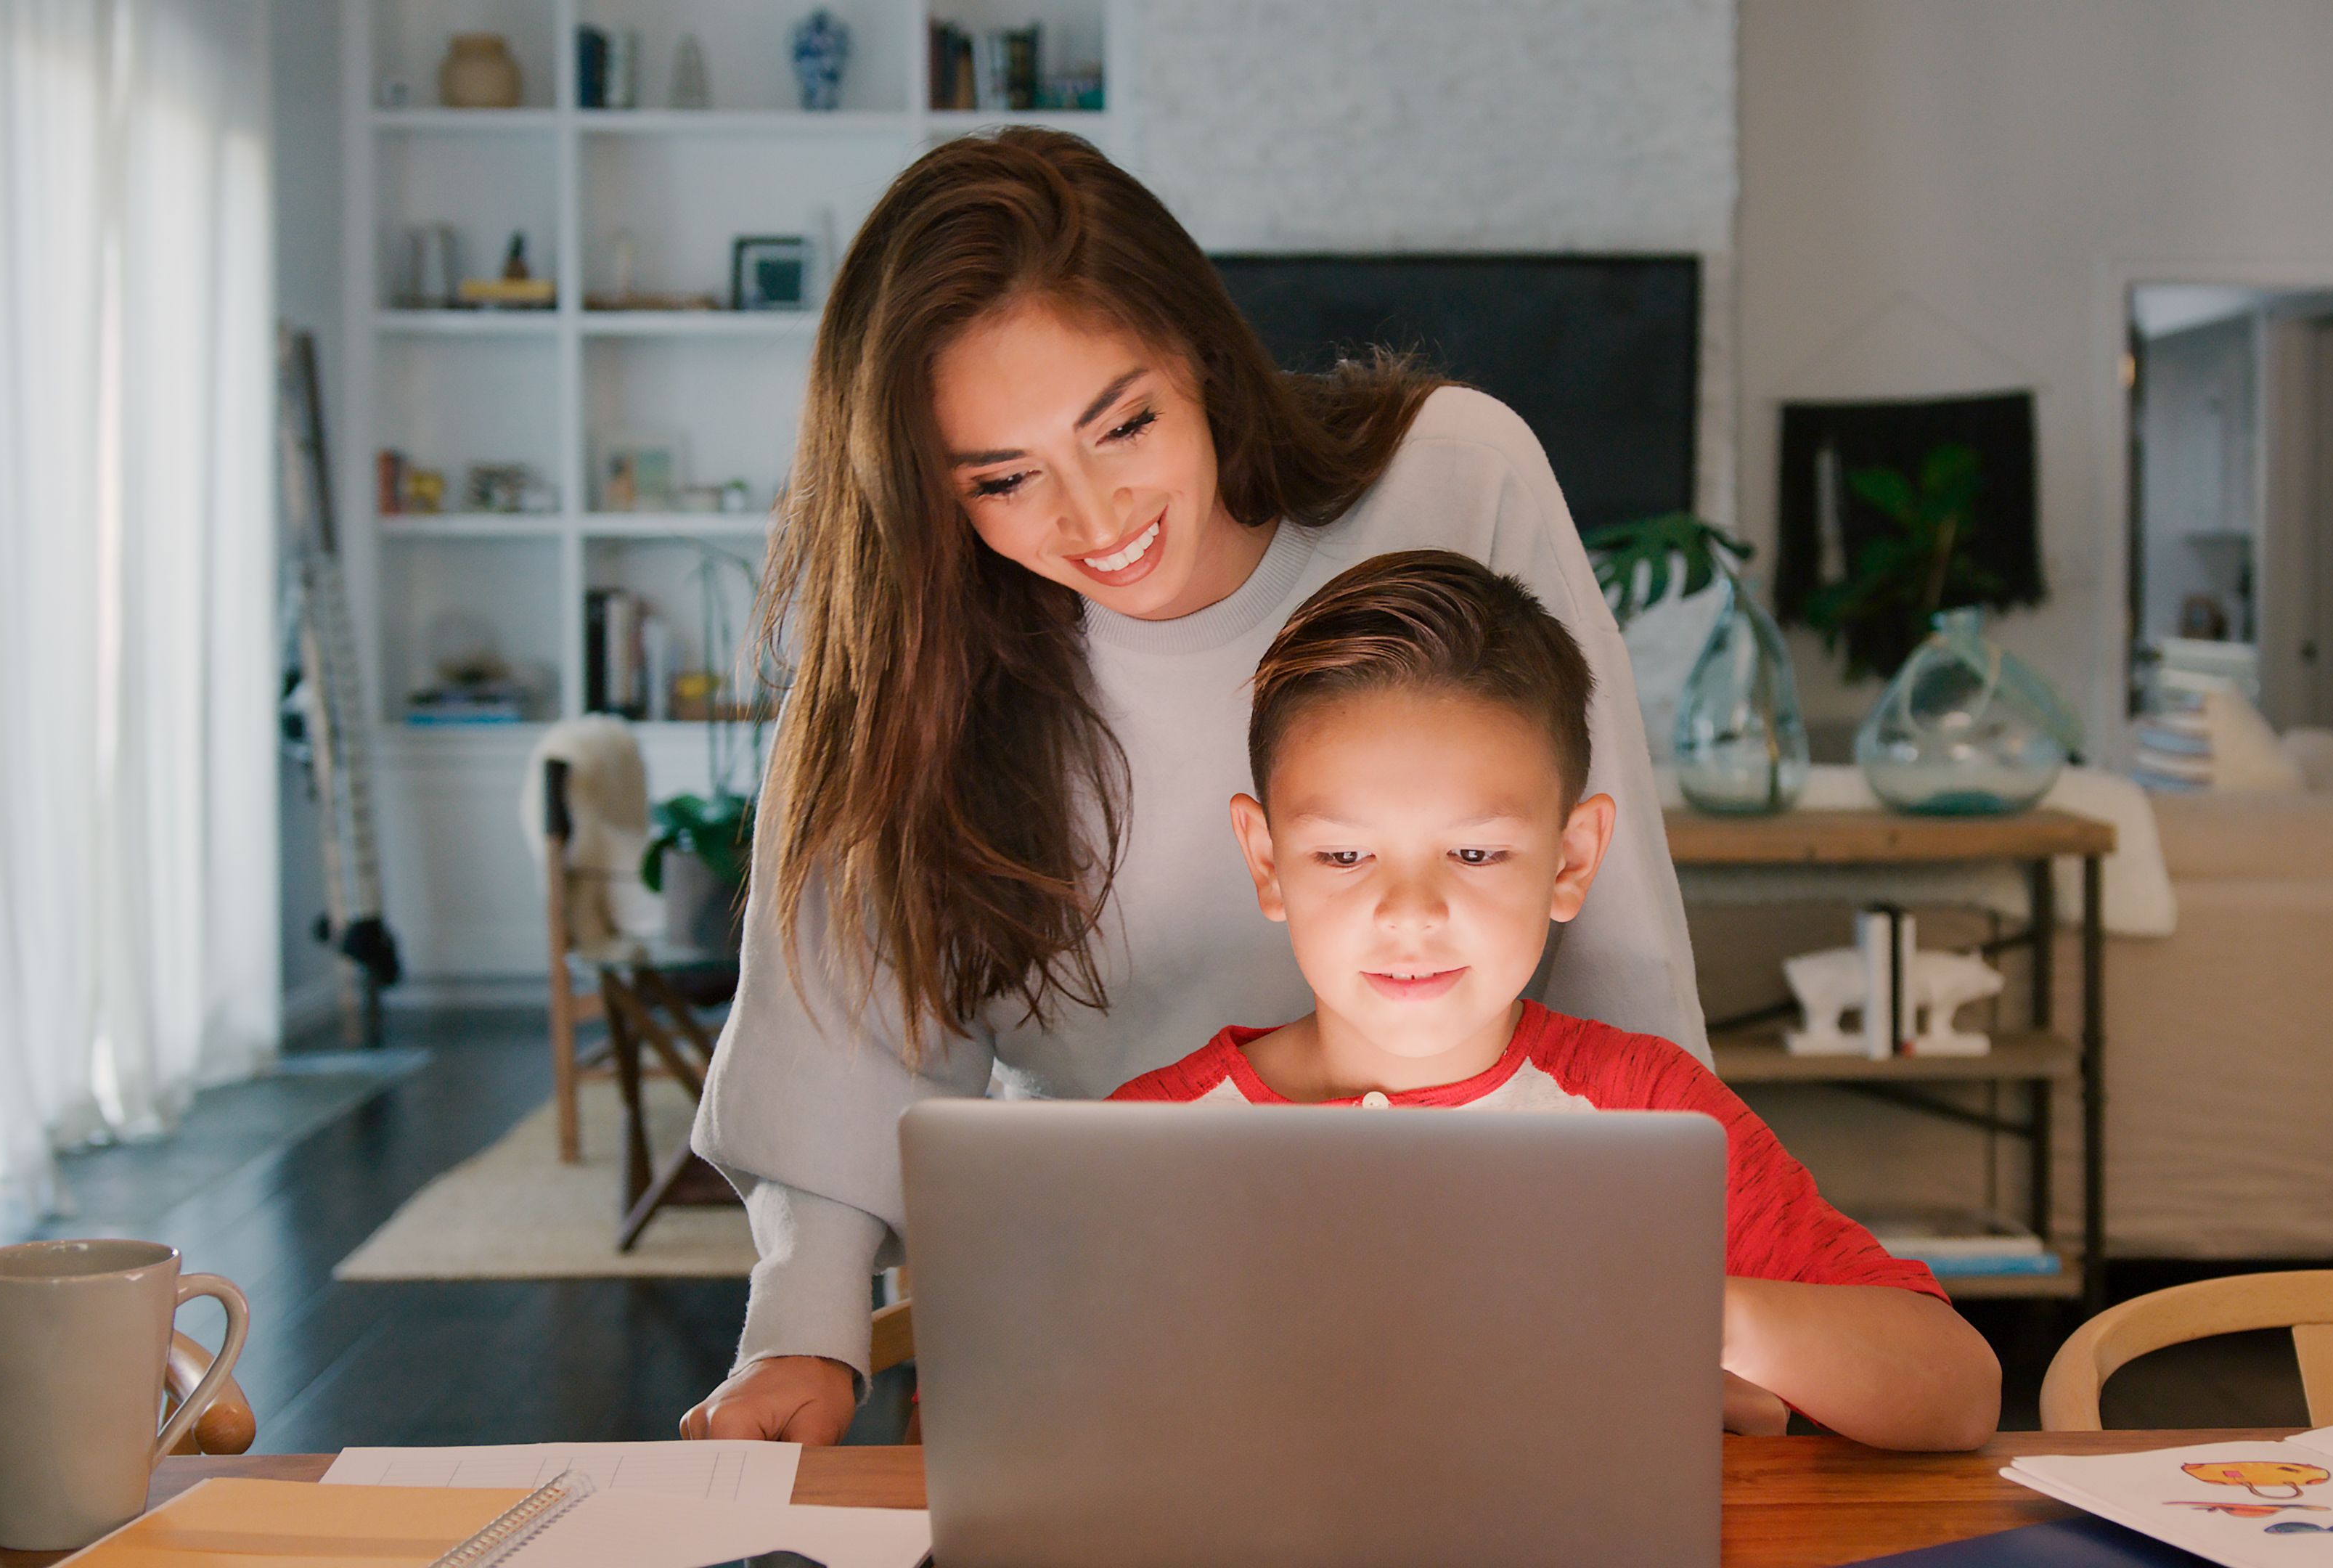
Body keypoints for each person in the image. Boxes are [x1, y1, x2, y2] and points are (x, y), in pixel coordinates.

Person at [681, 129, 1706, 1444]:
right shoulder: (914, 650)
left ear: (1204, 362)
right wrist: (805, 1342)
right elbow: (845, 1025)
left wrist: (1673, 1277)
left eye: (1125, 424)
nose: (1097, 515)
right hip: (1105, 1323)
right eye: (1003, 479)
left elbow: (1612, 944)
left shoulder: (1458, 477)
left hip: (1479, 1290)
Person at [1111, 552, 2003, 1450]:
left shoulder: (1648, 1111)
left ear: (1572, 861)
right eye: (1344, 857)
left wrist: (1692, 1321)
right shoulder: (1143, 1145)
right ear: (1267, 862)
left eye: (1475, 855)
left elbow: (1958, 1393)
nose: (1410, 915)